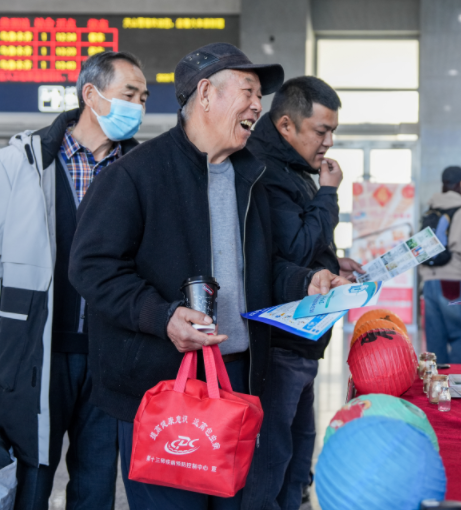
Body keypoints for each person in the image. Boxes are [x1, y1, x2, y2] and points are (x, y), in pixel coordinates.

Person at [68, 43, 345, 510]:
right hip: (160, 388)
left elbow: (261, 266)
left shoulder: (250, 177)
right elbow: (92, 267)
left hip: (236, 378)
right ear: (205, 94)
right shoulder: (136, 174)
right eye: (247, 91)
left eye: (258, 95)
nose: (257, 106)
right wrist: (163, 316)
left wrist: (306, 281)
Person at [0, 51, 147, 510]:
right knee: (31, 478)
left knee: (96, 484)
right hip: (35, 351)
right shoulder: (20, 163)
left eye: (144, 98)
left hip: (108, 354)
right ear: (91, 94)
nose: (138, 107)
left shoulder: (140, 170)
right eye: (129, 94)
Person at [243, 76, 362, 510]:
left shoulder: (293, 166)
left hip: (302, 338)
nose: (329, 142)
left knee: (296, 450)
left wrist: (331, 263)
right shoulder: (265, 169)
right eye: (321, 131)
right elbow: (294, 247)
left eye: (333, 132)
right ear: (286, 125)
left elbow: (297, 246)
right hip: (280, 340)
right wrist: (329, 193)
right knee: (273, 456)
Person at [420, 166, 461, 365]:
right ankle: (460, 381)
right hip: (454, 282)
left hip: (429, 283)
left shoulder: (430, 210)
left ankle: (437, 381)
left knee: (435, 338)